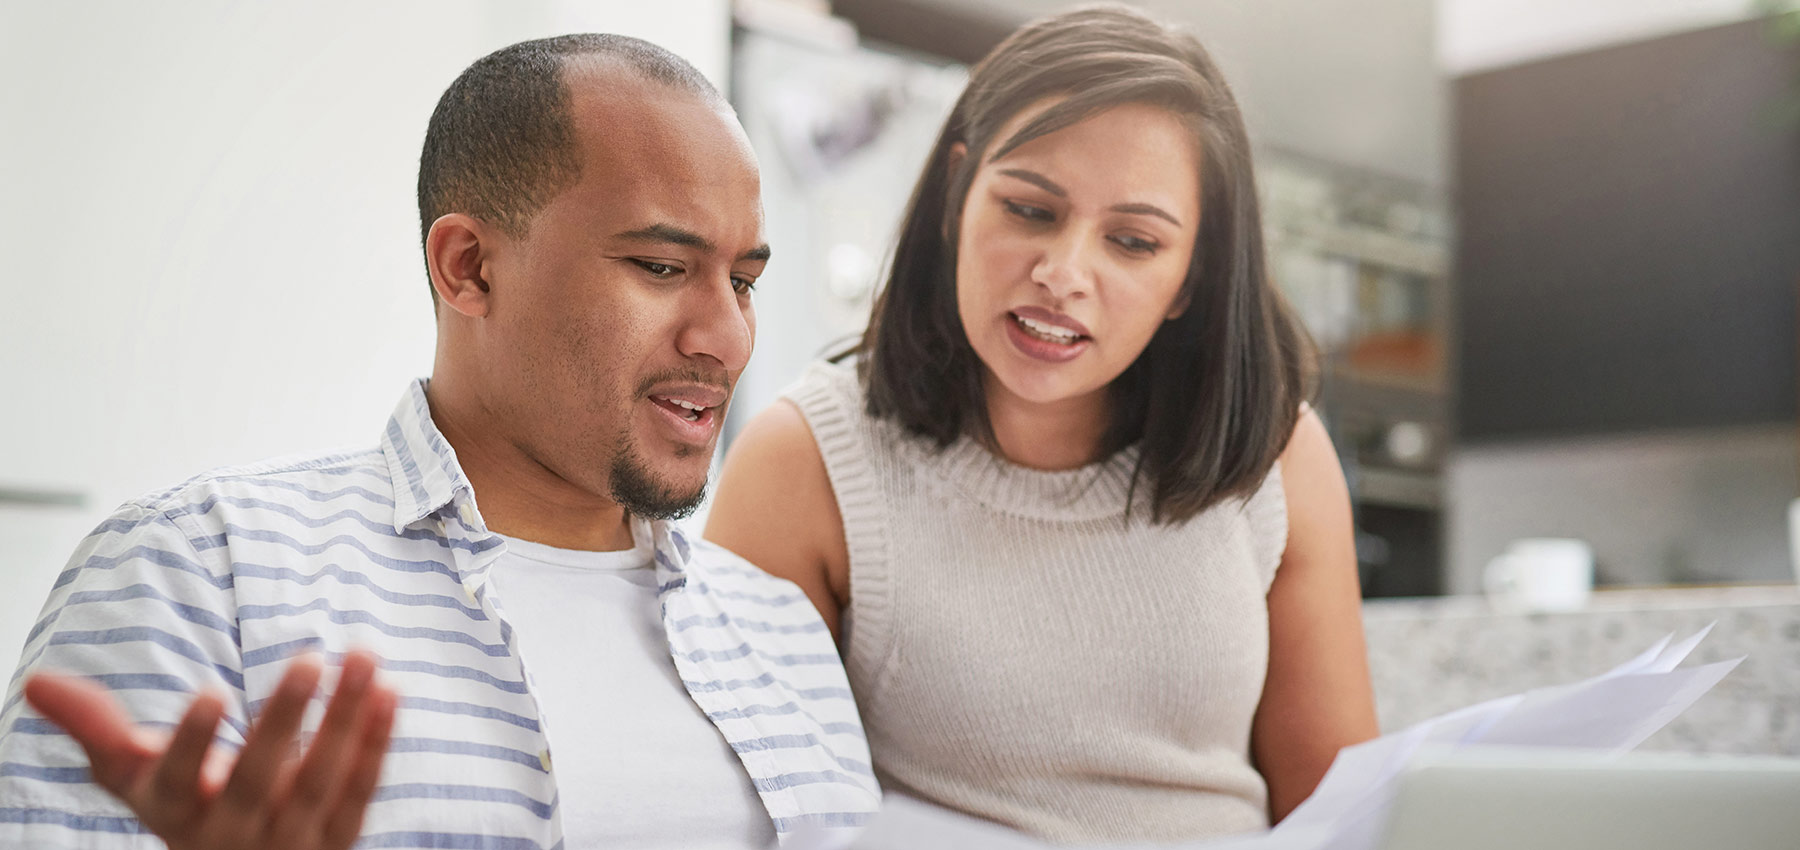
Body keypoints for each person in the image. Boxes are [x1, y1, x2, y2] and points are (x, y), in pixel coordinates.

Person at [0, 34, 877, 850]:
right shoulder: (198, 570)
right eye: (660, 267)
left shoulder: (782, 635)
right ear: (469, 267)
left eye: (745, 281)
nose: (725, 338)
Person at [705, 4, 1379, 844]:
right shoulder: (805, 459)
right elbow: (745, 820)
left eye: (1132, 242)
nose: (1062, 274)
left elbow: (1343, 818)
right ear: (957, 192)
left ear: (1191, 279)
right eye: (1029, 210)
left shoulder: (1276, 456)